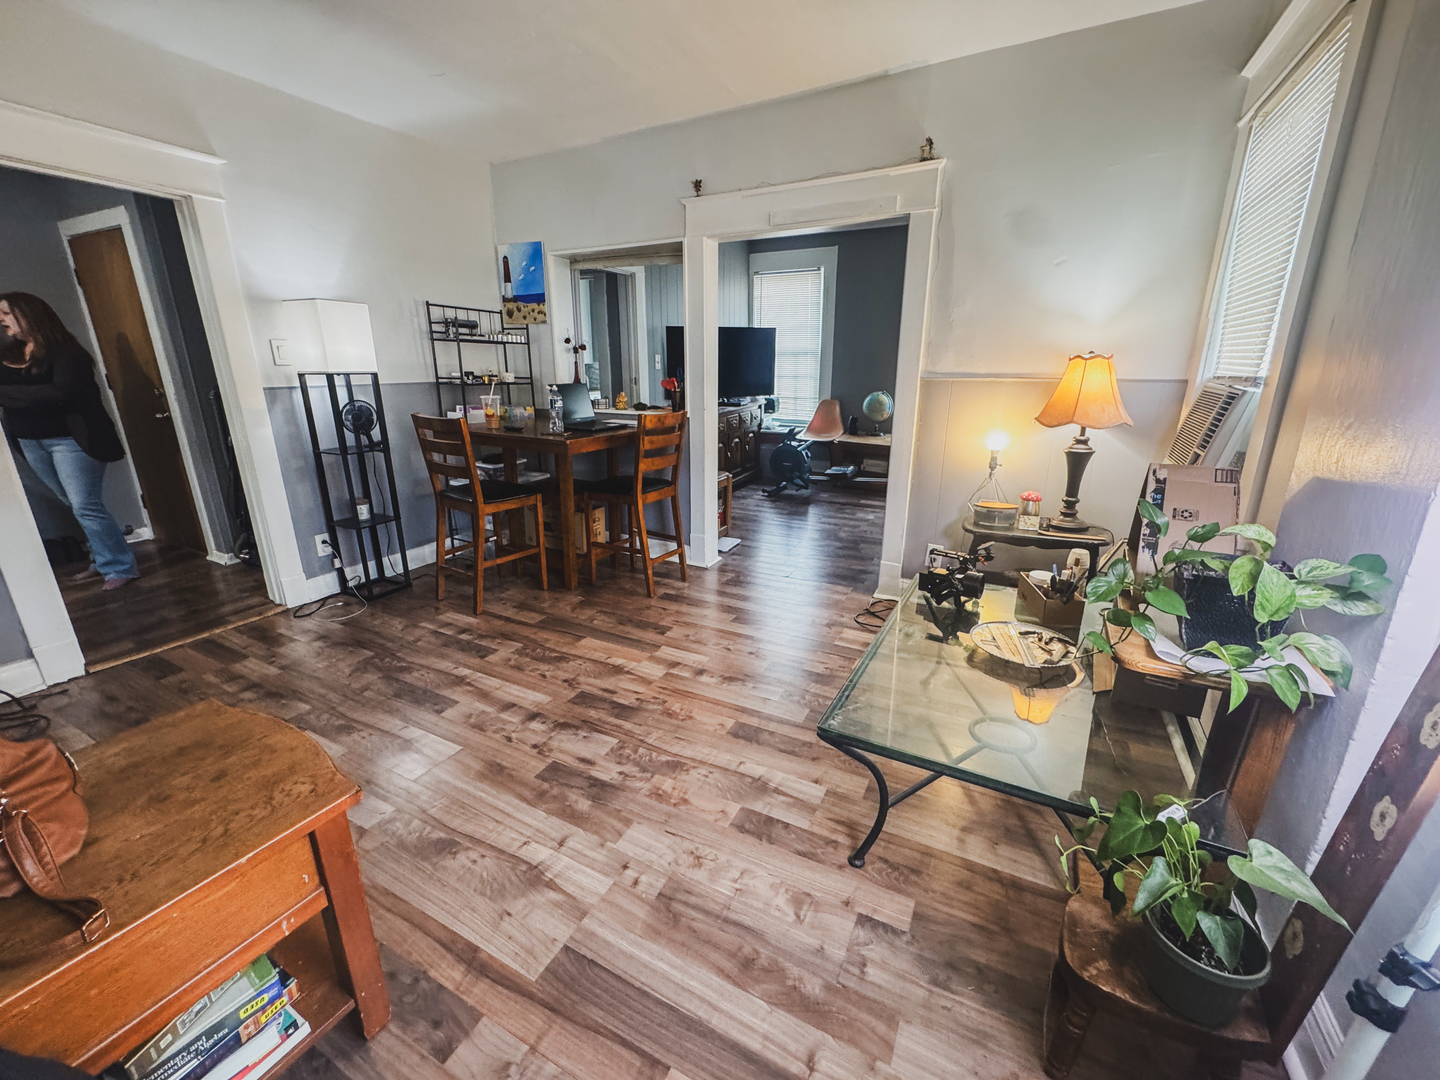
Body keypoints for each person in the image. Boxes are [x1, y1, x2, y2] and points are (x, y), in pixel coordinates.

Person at [0, 292, 139, 589]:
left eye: (7, 312)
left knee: (85, 505)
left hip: (71, 441)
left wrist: (7, 395)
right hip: (30, 442)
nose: (1, 319)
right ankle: (102, 560)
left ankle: (119, 567)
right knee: (74, 504)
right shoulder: (9, 353)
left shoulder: (66, 353)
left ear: (29, 314)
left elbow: (61, 395)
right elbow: (42, 395)